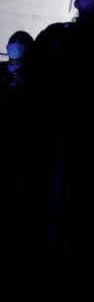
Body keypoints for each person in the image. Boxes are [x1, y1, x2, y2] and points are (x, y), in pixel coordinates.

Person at [26, 0, 94, 252]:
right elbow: (35, 68)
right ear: (77, 1)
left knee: (88, 183)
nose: (93, 2)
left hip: (92, 123)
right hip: (60, 121)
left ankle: (81, 235)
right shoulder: (56, 33)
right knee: (55, 180)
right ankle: (52, 233)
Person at [2, 31, 35, 251]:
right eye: (15, 42)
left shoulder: (35, 77)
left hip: (19, 140)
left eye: (22, 44)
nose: (17, 47)